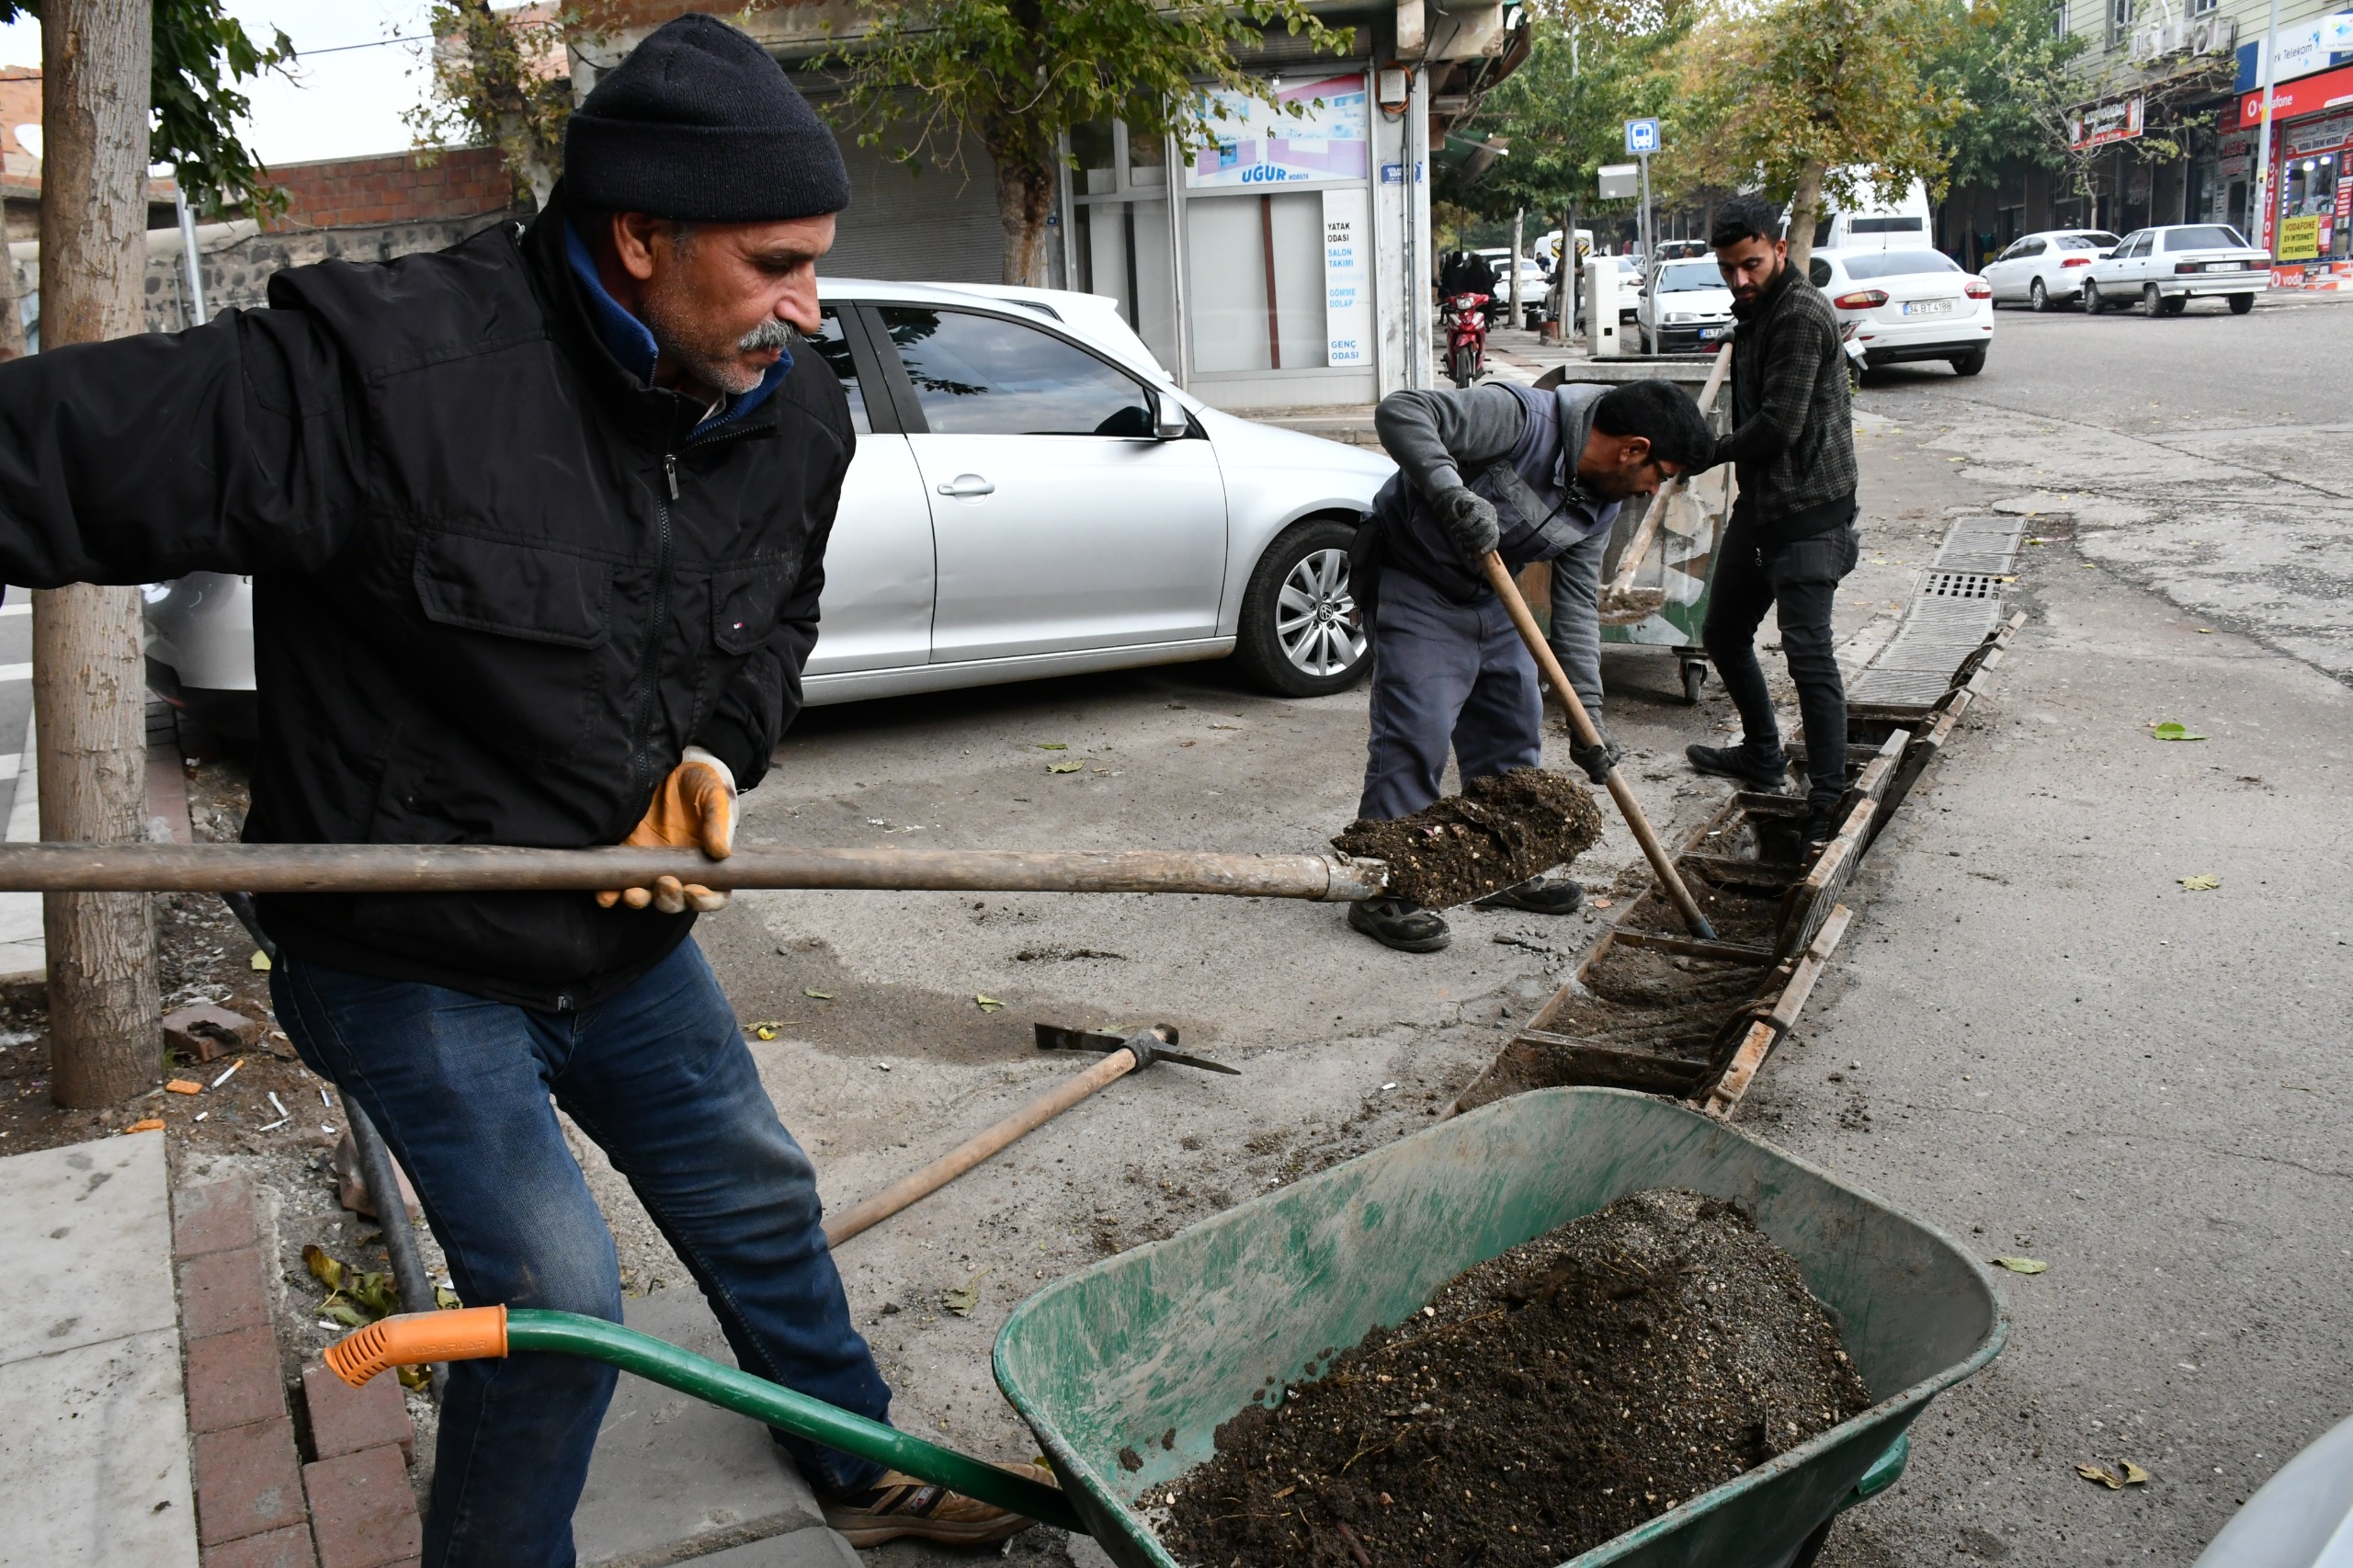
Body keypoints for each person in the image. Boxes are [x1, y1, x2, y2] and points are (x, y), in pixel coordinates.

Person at [0, 16, 1044, 1563]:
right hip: (404, 954)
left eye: (816, 260)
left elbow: (777, 628)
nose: (808, 307)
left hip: (613, 942)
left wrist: (714, 760)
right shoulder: (384, 379)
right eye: (772, 265)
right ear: (639, 239)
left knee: (757, 1196)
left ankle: (852, 1457)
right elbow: (46, 456)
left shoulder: (795, 411)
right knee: (560, 1301)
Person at [1347, 379, 1714, 952]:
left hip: (1496, 597)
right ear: (1633, 449)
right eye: (1659, 475)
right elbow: (1403, 411)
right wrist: (1452, 494)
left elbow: (1573, 609)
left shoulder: (1602, 505)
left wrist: (1587, 717)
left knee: (1512, 723)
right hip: (1415, 578)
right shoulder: (1521, 417)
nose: (1651, 490)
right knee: (1416, 731)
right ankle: (1387, 886)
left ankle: (1496, 867)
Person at [1688, 193, 1862, 845]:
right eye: (1729, 268)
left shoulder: (1799, 315)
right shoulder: (1755, 310)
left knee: (1808, 655)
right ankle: (1762, 754)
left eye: (1752, 265)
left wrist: (1705, 452)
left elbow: (1780, 427)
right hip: (1761, 508)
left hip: (1812, 514)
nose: (1740, 280)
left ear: (1780, 249)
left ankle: (1827, 796)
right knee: (1725, 633)